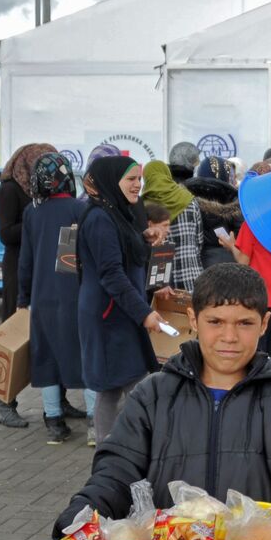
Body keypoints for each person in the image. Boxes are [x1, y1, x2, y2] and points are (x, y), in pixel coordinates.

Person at [46, 265, 271, 540]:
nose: (229, 336)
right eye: (215, 322)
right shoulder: (153, 395)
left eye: (245, 323)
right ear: (193, 319)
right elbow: (114, 473)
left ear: (264, 323)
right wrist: (75, 530)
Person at [78, 156, 164, 442]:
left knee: (115, 386)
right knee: (132, 385)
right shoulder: (100, 218)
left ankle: (112, 451)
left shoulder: (114, 211)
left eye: (139, 178)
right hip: (110, 317)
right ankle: (128, 449)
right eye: (130, 179)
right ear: (111, 182)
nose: (137, 184)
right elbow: (111, 274)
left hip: (119, 313)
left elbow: (123, 247)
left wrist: (143, 237)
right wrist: (144, 313)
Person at [18, 152, 93, 446]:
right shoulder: (79, 210)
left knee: (45, 357)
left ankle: (53, 421)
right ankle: (95, 423)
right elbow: (78, 258)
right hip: (75, 295)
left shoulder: (31, 213)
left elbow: (26, 260)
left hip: (42, 297)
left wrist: (23, 298)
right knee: (85, 358)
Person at [0, 142, 56, 427]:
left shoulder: (44, 190)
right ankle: (5, 403)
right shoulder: (10, 190)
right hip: (18, 269)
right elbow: (6, 233)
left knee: (53, 338)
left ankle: (59, 401)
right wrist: (37, 222)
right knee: (13, 337)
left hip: (43, 268)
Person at [220, 179, 271, 364]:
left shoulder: (253, 224)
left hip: (260, 297)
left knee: (258, 355)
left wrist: (231, 246)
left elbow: (243, 262)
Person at [141, 161, 203, 291]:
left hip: (159, 281)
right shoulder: (189, 200)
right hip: (191, 275)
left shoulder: (142, 206)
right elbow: (199, 240)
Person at [186, 155, 243, 268]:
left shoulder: (188, 203)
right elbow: (242, 240)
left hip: (197, 266)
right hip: (231, 267)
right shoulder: (235, 205)